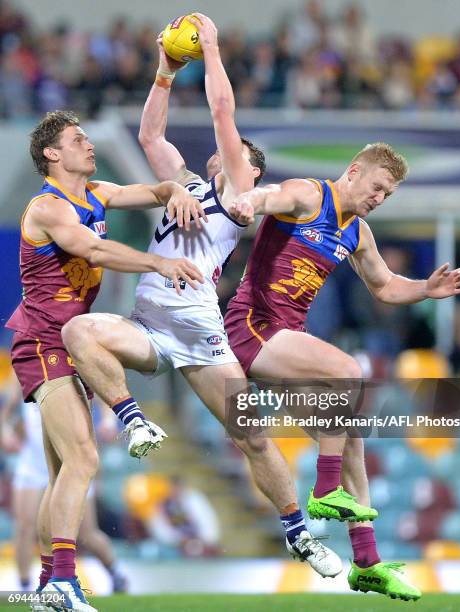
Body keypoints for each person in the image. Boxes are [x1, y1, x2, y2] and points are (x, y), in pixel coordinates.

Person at [61, 15, 343, 580]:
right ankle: (134, 419)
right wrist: (164, 73)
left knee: (252, 436)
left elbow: (221, 114)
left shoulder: (240, 191)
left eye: (237, 153)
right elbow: (149, 137)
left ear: (249, 168)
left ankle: (298, 533)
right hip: (148, 324)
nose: (224, 154)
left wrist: (212, 49)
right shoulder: (185, 185)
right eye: (223, 153)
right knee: (78, 332)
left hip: (201, 335)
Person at [225, 142, 460, 600]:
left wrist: (426, 289)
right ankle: (324, 487)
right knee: (346, 367)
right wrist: (250, 200)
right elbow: (271, 196)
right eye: (378, 187)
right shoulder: (309, 195)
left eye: (388, 195)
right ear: (355, 171)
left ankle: (367, 562)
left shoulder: (357, 232)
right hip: (252, 327)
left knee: (351, 433)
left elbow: (385, 286)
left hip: (286, 341)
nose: (380, 198)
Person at [5, 109, 204, 611]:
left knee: (63, 474)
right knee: (84, 459)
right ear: (52, 154)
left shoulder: (98, 192)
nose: (89, 146)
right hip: (44, 344)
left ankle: (51, 583)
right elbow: (92, 251)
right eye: (78, 140)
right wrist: (158, 261)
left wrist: (176, 189)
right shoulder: (47, 208)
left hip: (73, 345)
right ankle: (63, 584)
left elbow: (155, 192)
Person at [0, 378, 127, 594]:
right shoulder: (26, 362)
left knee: (87, 534)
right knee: (23, 528)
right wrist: (6, 431)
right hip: (33, 463)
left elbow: (100, 391)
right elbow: (6, 411)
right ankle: (23, 589)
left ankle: (115, 573)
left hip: (71, 462)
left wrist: (107, 420)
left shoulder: (71, 358)